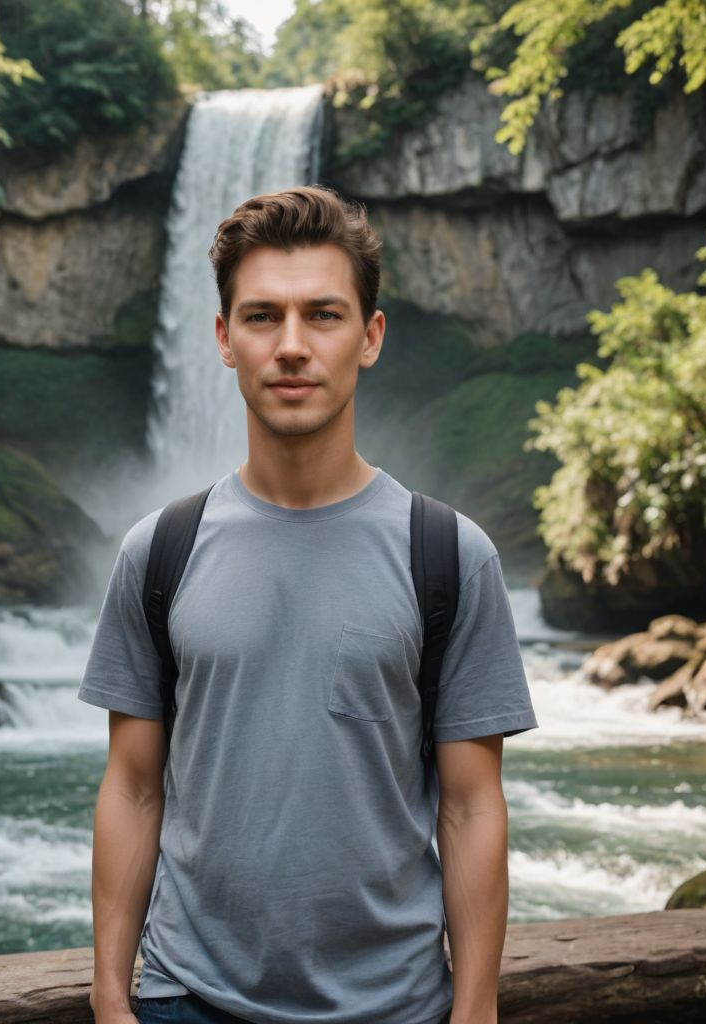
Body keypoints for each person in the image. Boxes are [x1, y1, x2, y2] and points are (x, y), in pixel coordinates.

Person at [78, 185, 538, 1024]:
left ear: (370, 337)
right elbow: (133, 787)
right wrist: (112, 998)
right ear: (223, 339)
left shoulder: (449, 556)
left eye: (322, 315)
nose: (291, 346)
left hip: (396, 1006)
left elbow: (471, 804)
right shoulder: (158, 553)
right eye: (262, 317)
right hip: (187, 997)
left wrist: (476, 1009)